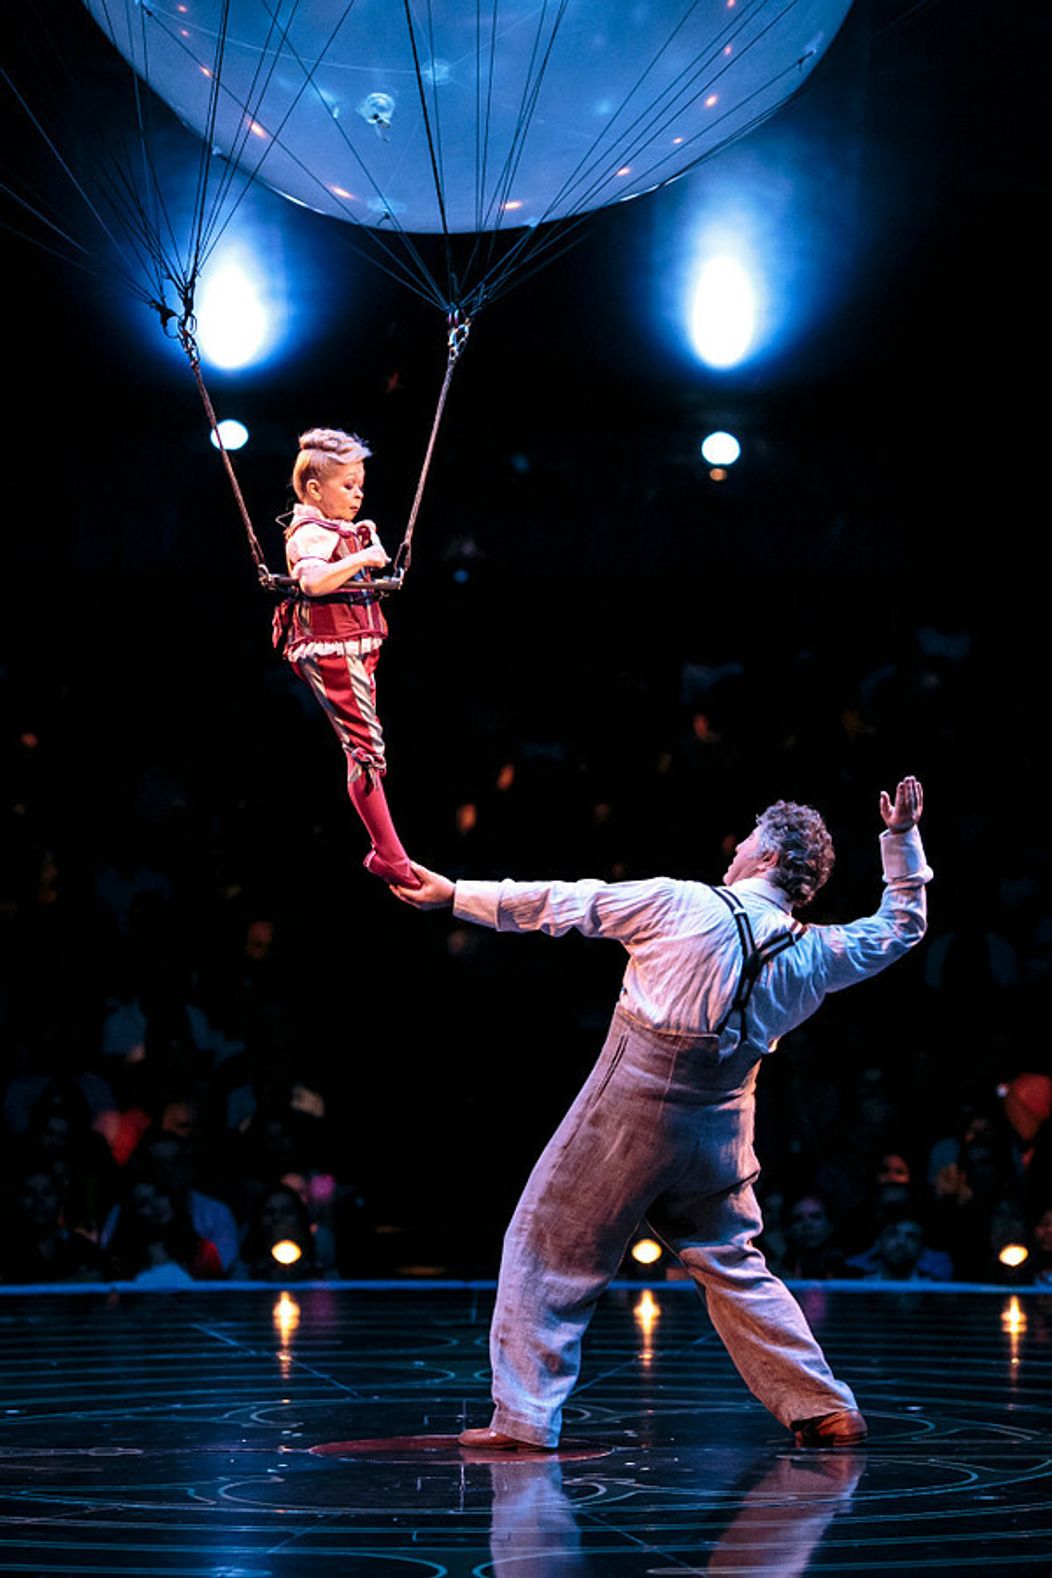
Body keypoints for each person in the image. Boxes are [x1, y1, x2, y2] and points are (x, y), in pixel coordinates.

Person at [394, 777, 930, 1450]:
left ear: (767, 859)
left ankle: (525, 1419)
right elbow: (901, 927)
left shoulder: (683, 904)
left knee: (545, 1243)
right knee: (731, 1260)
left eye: (748, 841)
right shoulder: (817, 953)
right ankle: (823, 1405)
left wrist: (455, 895)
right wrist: (901, 841)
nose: (735, 848)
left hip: (635, 1107)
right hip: (722, 1126)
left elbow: (571, 903)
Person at [273, 427, 419, 887]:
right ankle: (390, 856)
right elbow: (313, 583)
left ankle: (388, 854)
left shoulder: (337, 529)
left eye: (360, 485)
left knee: (364, 750)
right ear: (315, 489)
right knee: (367, 750)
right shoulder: (310, 532)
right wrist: (366, 559)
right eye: (347, 485)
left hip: (355, 646)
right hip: (332, 649)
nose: (358, 495)